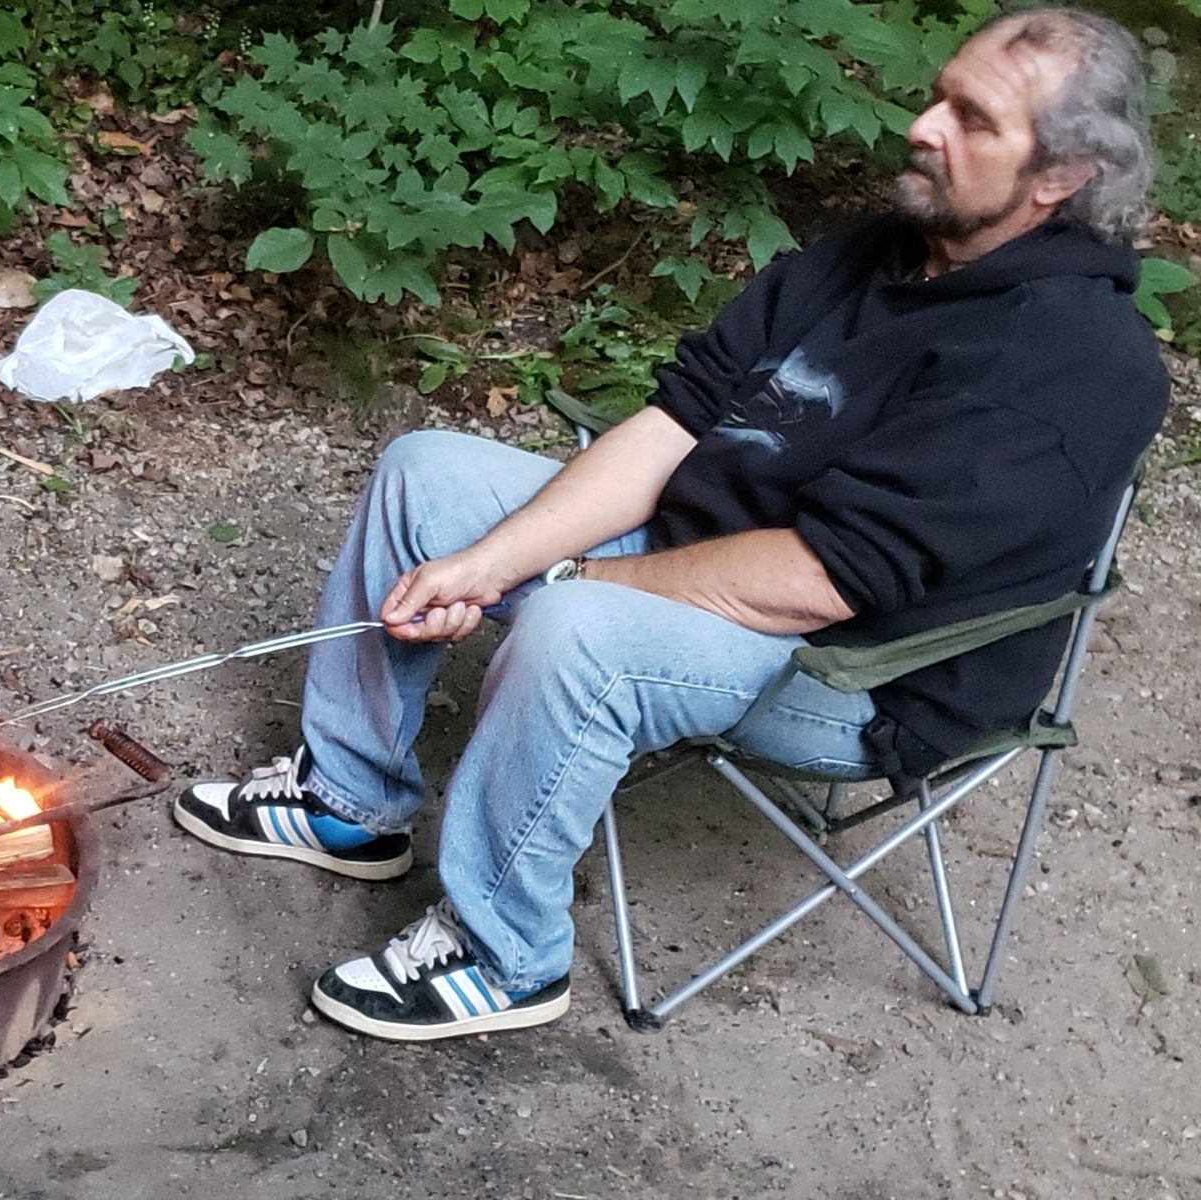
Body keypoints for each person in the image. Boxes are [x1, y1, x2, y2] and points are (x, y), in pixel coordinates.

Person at [174, 6, 1171, 1041]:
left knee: (577, 632)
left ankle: (505, 956)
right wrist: (490, 559)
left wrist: (561, 582)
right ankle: (350, 801)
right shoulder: (878, 251)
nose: (924, 125)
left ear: (1062, 177)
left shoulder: (1074, 361)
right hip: (706, 555)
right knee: (427, 477)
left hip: (856, 670)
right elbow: (675, 424)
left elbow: (822, 580)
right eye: (939, 96)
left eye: (974, 119)